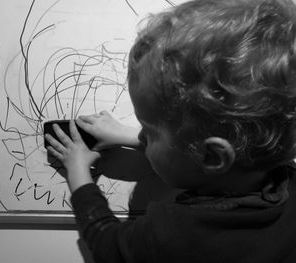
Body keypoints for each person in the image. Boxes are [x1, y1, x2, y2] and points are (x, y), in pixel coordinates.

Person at [44, 0, 296, 262]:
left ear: (211, 157)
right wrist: (129, 135)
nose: (140, 136)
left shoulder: (172, 235)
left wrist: (79, 175)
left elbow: (106, 243)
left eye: (149, 132)